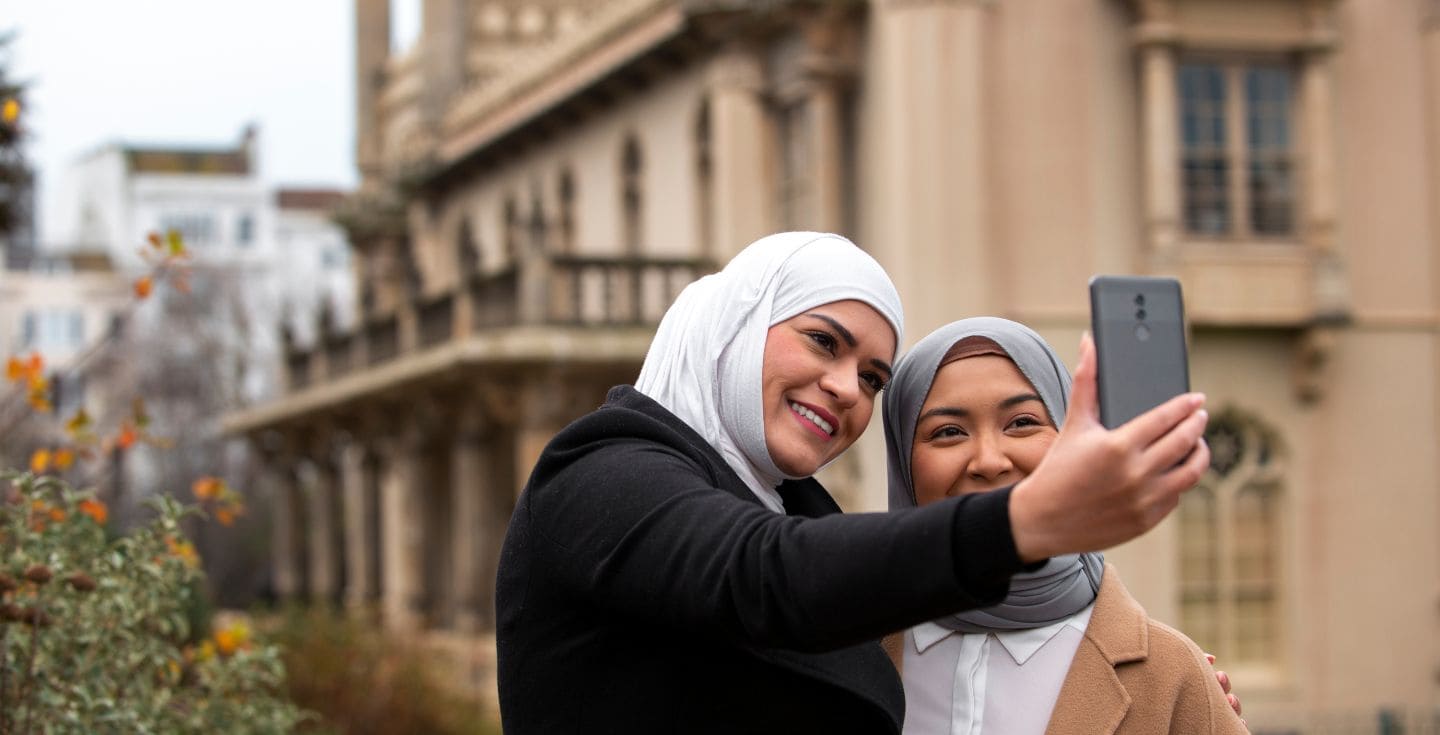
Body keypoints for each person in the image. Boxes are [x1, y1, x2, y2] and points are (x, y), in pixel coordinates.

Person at [495, 232, 1211, 734]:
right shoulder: (602, 472)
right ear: (738, 325)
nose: (846, 388)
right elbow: (768, 576)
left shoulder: (794, 512)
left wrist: (1176, 688)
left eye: (873, 377)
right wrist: (1024, 520)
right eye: (823, 340)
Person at [884, 317, 1246, 734]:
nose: (989, 461)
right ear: (902, 461)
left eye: (1021, 423)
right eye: (948, 432)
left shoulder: (1169, 672)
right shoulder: (845, 651)